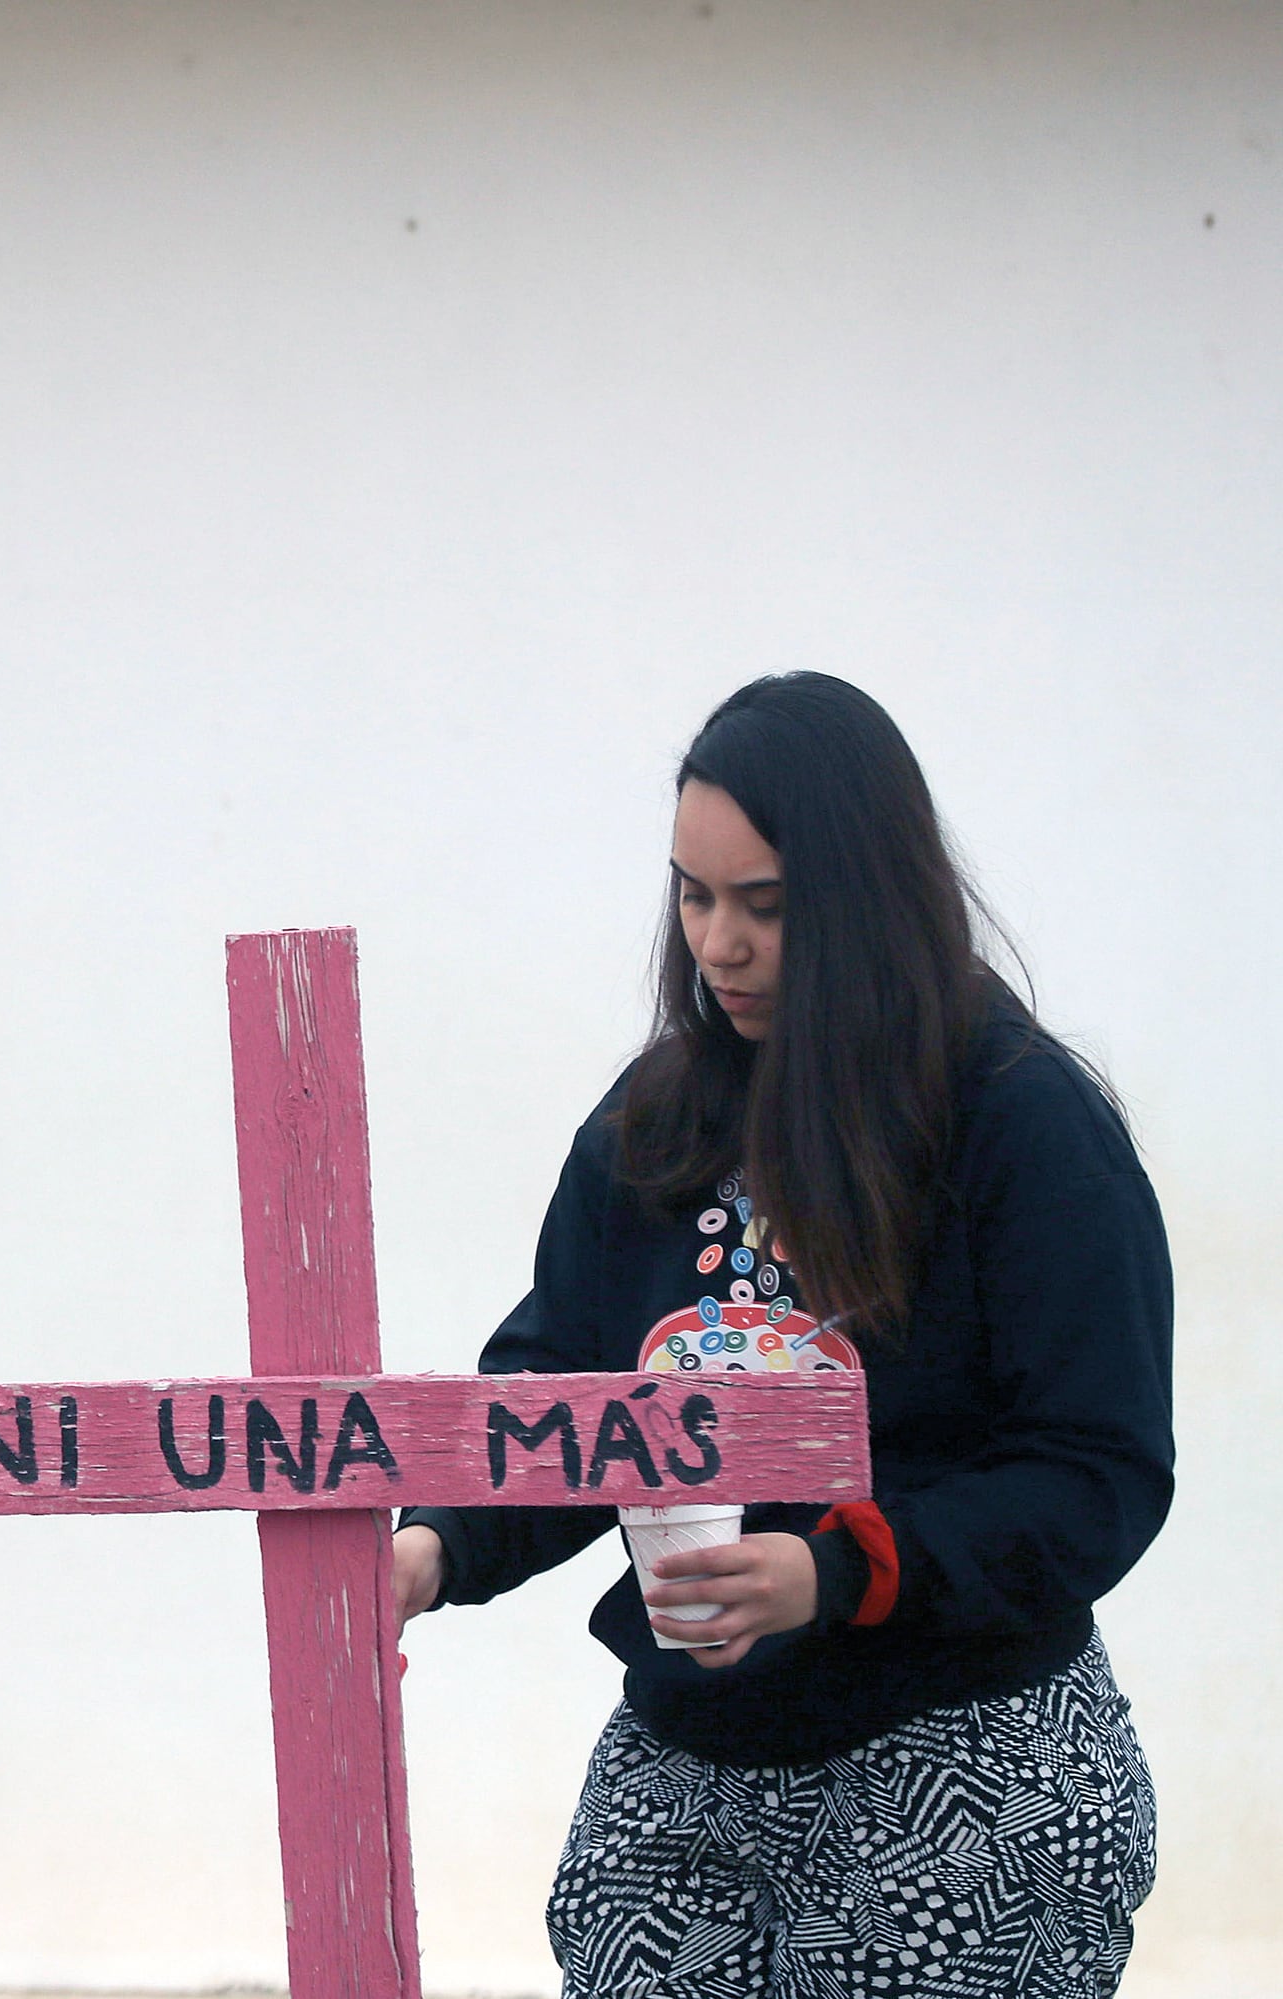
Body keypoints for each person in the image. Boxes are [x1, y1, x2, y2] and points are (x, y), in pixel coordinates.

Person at [393, 673, 1170, 1998]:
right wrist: (434, 1544)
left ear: (871, 898)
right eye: (694, 896)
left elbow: (1095, 1474)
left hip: (969, 1777)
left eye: (769, 905)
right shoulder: (657, 1122)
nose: (720, 945)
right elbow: (568, 1391)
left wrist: (837, 1572)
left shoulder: (1026, 1126)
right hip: (691, 1774)